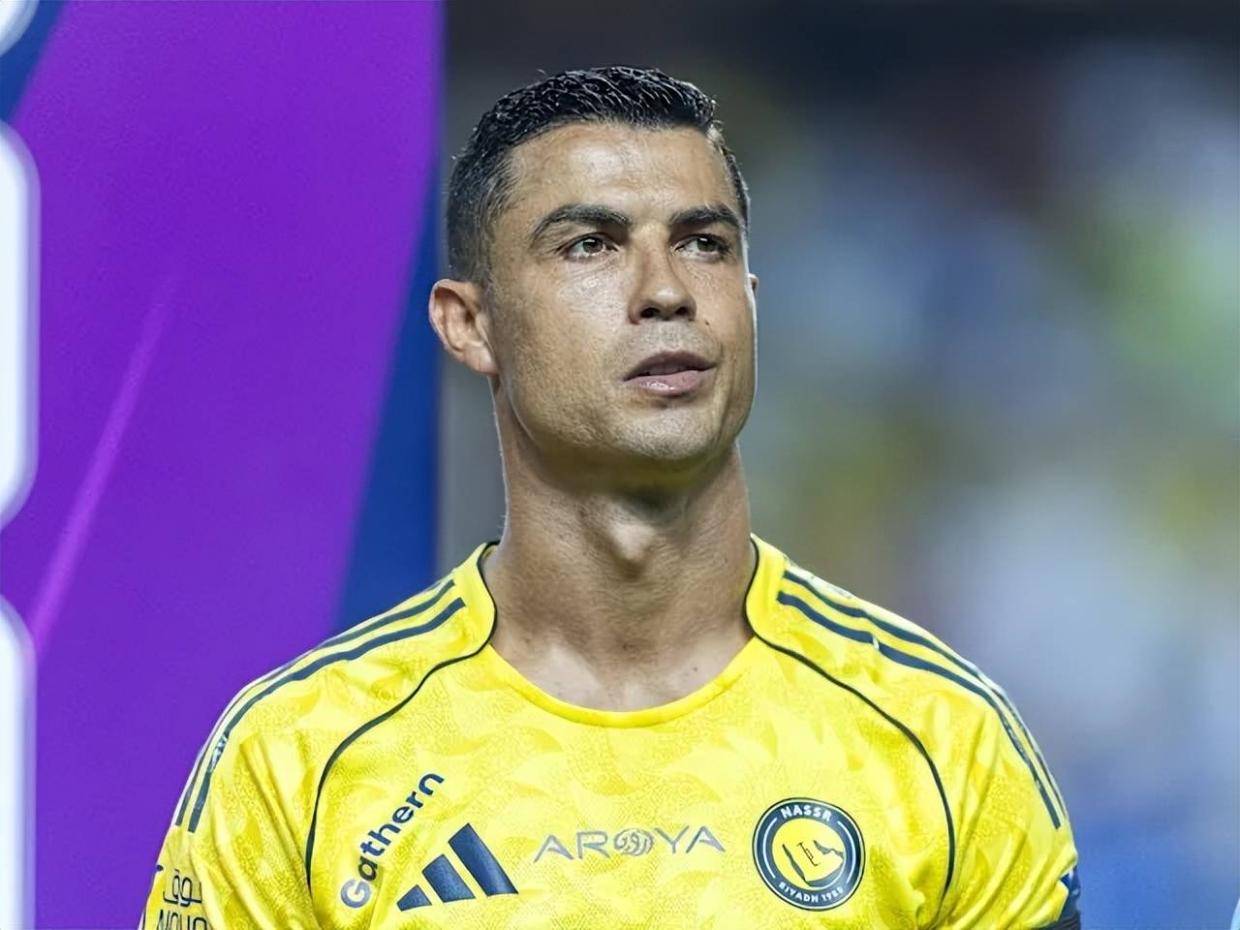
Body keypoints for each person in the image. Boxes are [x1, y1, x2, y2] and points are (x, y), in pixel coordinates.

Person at [141, 66, 1080, 929]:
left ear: (751, 299)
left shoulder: (942, 738)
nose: (666, 291)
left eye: (704, 244)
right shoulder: (302, 756)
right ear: (470, 325)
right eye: (590, 245)